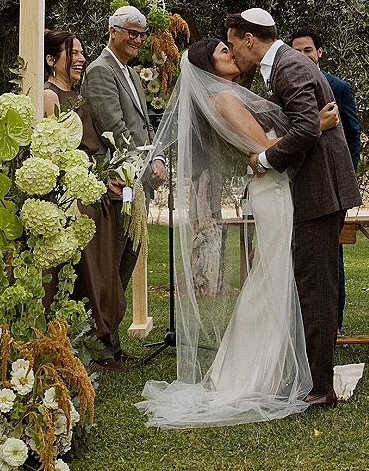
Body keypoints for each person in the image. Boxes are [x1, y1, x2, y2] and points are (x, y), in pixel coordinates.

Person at [137, 38, 342, 428]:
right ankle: (247, 375)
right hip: (274, 191)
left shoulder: (235, 93)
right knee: (271, 279)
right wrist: (316, 124)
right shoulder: (225, 101)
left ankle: (275, 367)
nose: (231, 53)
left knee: (275, 278)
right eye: (222, 52)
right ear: (208, 68)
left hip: (279, 188)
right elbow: (265, 149)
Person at [226, 9, 362, 408]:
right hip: (317, 189)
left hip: (321, 191)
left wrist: (264, 161)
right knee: (313, 281)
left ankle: (322, 389)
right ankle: (317, 379)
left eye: (234, 43)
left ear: (250, 39)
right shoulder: (285, 66)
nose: (233, 52)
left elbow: (306, 128)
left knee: (316, 285)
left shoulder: (287, 65)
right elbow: (306, 123)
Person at [82, 6, 167, 368]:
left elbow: (144, 127)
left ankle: (112, 345)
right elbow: (115, 129)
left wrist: (159, 159)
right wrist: (146, 167)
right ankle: (100, 348)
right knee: (113, 260)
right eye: (131, 32)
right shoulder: (100, 70)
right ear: (113, 30)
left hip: (135, 182)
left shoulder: (130, 72)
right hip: (117, 183)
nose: (137, 39)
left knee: (128, 259)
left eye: (141, 34)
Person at [43, 29, 126, 369]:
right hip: (74, 200)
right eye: (71, 53)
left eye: (81, 53)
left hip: (98, 192)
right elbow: (51, 154)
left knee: (106, 270)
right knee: (89, 272)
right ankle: (88, 347)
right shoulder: (49, 97)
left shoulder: (80, 96)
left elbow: (97, 146)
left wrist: (112, 176)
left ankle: (105, 343)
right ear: (51, 60)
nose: (80, 59)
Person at [290, 26, 360, 336]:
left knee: (330, 256)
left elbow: (352, 136)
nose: (302, 55)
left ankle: (335, 324)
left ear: (320, 52)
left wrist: (345, 178)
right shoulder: (288, 85)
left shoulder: (339, 87)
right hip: (297, 183)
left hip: (331, 184)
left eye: (307, 49)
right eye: (296, 51)